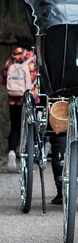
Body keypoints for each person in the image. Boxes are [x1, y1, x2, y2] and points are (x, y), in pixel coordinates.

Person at [1, 35, 38, 171]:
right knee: (31, 127)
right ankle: (28, 157)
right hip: (29, 98)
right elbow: (36, 78)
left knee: (15, 127)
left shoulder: (12, 59)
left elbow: (3, 77)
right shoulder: (32, 59)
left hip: (13, 99)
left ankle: (11, 153)